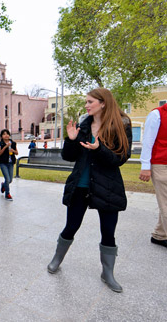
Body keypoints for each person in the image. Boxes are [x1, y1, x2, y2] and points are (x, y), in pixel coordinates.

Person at [47, 87, 132, 293]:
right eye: (86, 102)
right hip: (80, 185)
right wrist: (71, 138)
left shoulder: (121, 124)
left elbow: (120, 159)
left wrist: (99, 149)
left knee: (108, 232)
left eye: (90, 102)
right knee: (71, 226)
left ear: (103, 103)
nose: (86, 105)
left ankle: (108, 273)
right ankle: (57, 259)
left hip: (107, 186)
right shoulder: (84, 125)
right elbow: (69, 156)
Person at [139, 104, 167, 248]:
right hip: (161, 164)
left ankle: (160, 235)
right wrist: (145, 166)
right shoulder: (157, 114)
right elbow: (148, 142)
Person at [0, 129, 17, 201]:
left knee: (10, 180)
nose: (6, 135)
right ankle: (7, 194)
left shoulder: (13, 143)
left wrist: (13, 151)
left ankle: (3, 185)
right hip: (3, 163)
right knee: (7, 179)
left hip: (11, 163)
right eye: (4, 134)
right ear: (1, 136)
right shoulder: (0, 144)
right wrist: (5, 147)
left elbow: (17, 152)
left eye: (7, 134)